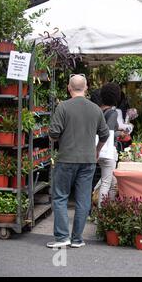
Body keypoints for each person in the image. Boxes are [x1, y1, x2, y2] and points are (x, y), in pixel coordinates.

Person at [48, 74, 109, 248]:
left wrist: (59, 139)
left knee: (60, 197)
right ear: (86, 87)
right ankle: (77, 239)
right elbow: (104, 134)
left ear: (69, 88)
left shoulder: (63, 107)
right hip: (88, 160)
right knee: (83, 200)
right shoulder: (96, 109)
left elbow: (53, 134)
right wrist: (96, 151)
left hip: (66, 158)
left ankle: (62, 238)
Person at [96, 83, 123, 208]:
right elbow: (109, 132)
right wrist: (121, 133)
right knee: (106, 183)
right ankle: (101, 215)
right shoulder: (112, 113)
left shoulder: (98, 111)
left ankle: (109, 209)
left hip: (99, 150)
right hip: (107, 152)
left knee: (113, 183)